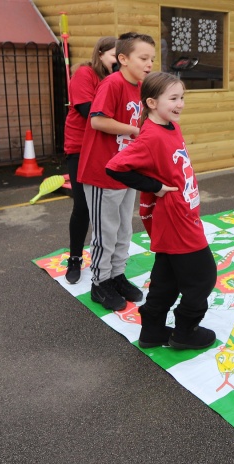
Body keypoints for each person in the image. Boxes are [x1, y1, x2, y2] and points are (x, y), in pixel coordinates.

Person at [106, 72, 216, 350]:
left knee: (167, 278)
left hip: (182, 214)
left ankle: (153, 331)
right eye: (173, 98)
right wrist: (153, 185)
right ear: (152, 102)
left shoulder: (170, 126)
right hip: (176, 220)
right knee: (203, 277)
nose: (180, 104)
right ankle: (185, 332)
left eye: (182, 97)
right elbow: (114, 167)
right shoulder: (150, 137)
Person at [77, 32, 155, 311]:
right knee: (105, 231)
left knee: (123, 229)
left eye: (152, 59)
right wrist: (134, 130)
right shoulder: (112, 84)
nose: (149, 64)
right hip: (103, 172)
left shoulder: (142, 87)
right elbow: (98, 122)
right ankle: (100, 283)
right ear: (123, 59)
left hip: (126, 170)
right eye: (143, 58)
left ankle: (117, 275)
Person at [63, 36, 117, 284]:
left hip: (106, 148)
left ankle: (107, 260)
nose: (118, 61)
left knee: (107, 207)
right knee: (83, 206)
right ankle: (75, 258)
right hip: (80, 147)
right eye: (115, 56)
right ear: (102, 53)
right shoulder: (85, 74)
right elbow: (89, 112)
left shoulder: (115, 80)